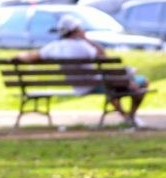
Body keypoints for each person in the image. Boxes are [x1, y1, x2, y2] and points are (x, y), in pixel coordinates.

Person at [15, 14, 149, 127]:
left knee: (116, 84)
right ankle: (130, 116)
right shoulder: (83, 46)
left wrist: (18, 56)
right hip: (95, 84)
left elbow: (32, 56)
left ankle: (127, 116)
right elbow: (103, 55)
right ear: (76, 30)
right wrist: (86, 38)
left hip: (78, 85)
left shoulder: (53, 47)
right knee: (138, 82)